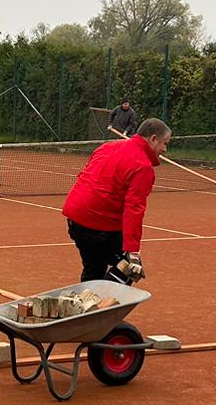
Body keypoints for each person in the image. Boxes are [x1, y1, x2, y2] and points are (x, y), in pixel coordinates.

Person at [61, 117, 172, 283]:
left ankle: (86, 304)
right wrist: (133, 252)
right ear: (153, 139)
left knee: (94, 268)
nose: (164, 149)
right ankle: (101, 305)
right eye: (164, 143)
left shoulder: (108, 147)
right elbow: (134, 208)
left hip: (76, 219)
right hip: (97, 224)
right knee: (130, 269)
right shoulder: (143, 166)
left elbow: (85, 176)